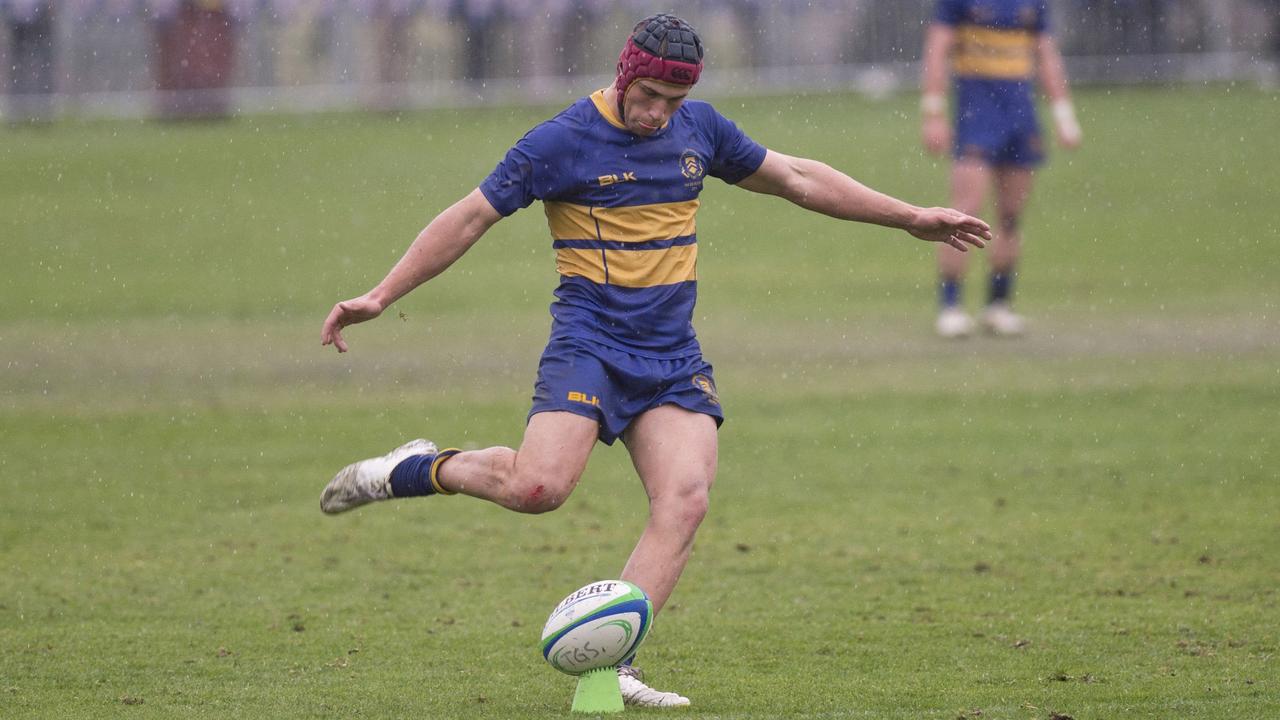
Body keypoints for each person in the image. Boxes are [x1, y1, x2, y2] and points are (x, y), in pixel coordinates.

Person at [320, 13, 990, 708]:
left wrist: (910, 216)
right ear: (624, 75)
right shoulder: (561, 142)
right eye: (649, 98)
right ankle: (416, 467)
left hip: (671, 355)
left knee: (685, 499)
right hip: (590, 346)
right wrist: (380, 295)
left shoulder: (698, 130)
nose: (658, 115)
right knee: (538, 489)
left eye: (672, 103)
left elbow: (796, 177)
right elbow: (468, 218)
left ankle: (610, 672)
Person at [921, 0, 1082, 338]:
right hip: (977, 117)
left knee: (1010, 216)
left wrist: (1064, 115)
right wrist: (933, 112)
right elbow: (937, 48)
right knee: (963, 212)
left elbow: (1046, 55)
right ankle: (951, 308)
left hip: (1020, 117)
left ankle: (998, 306)